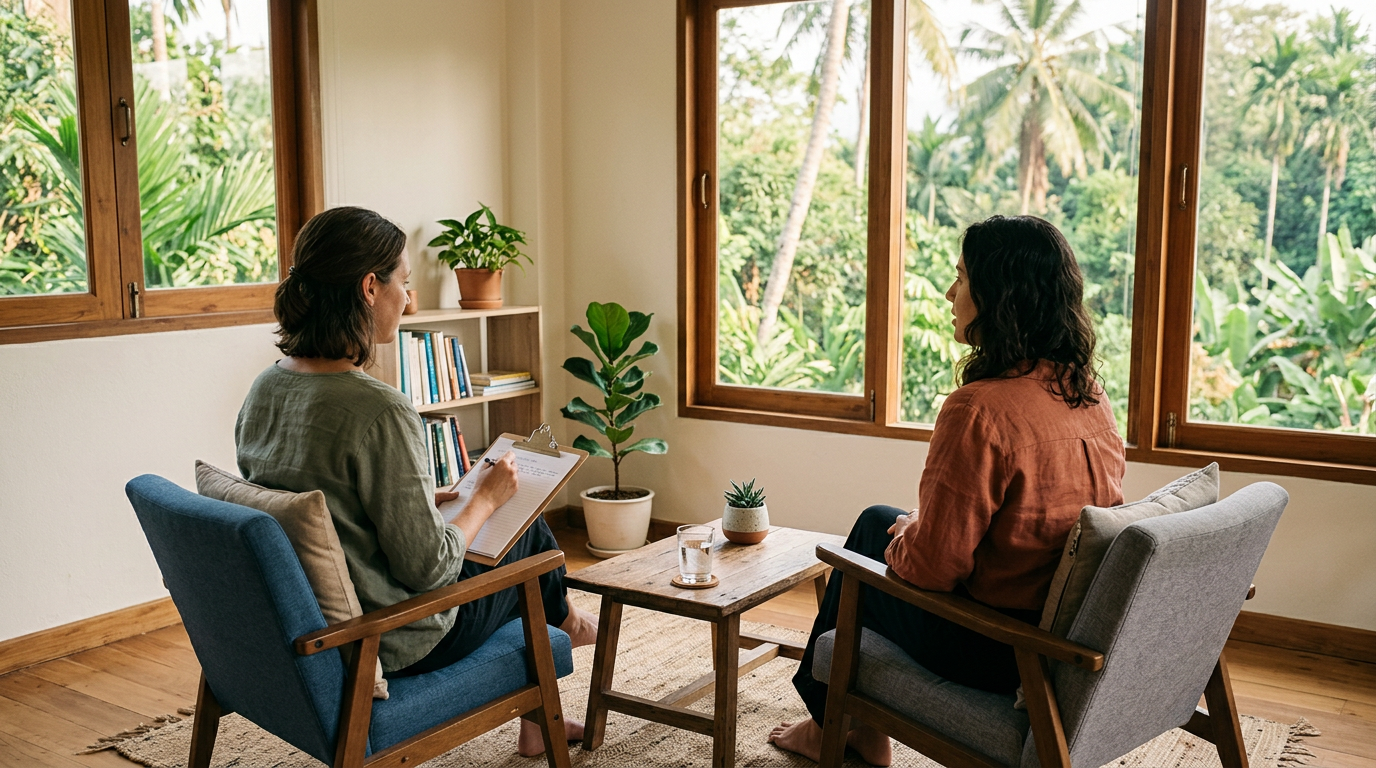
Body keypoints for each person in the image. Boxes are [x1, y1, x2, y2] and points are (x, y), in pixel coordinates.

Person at [235, 206, 597, 758]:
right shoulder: (377, 409)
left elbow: (311, 499)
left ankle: (544, 687)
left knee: (505, 528)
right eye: (405, 283)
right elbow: (430, 571)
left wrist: (423, 500)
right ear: (369, 288)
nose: (412, 301)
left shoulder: (266, 388)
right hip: (394, 636)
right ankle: (566, 623)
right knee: (528, 536)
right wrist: (487, 498)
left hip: (303, 621)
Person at [768, 215, 1126, 766]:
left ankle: (830, 726)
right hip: (1056, 630)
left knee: (863, 548)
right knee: (875, 521)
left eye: (961, 277)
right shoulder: (1087, 394)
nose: (949, 292)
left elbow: (933, 571)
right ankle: (851, 728)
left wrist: (915, 535)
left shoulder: (980, 409)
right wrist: (916, 528)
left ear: (998, 296)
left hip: (996, 647)